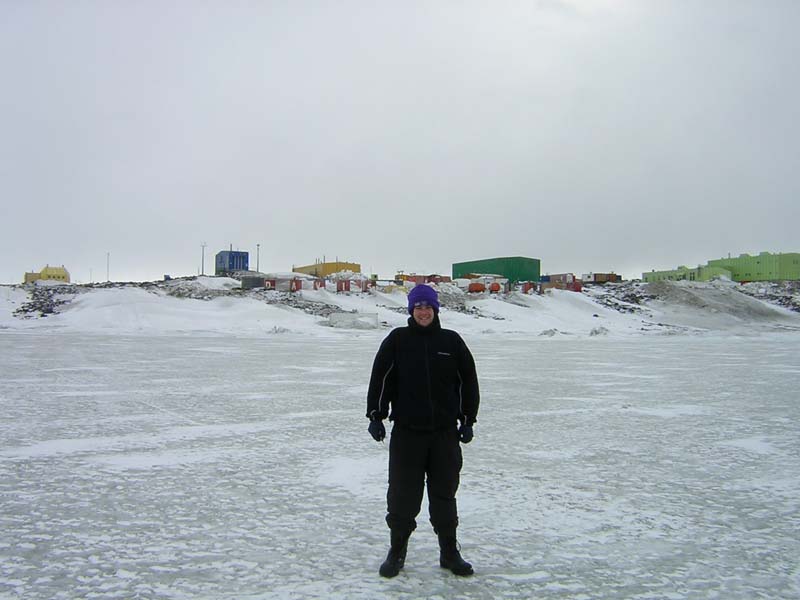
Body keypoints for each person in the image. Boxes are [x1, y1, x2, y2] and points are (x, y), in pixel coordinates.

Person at [366, 284, 480, 578]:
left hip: (444, 435)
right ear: (411, 310)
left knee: (444, 495)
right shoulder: (398, 340)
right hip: (407, 434)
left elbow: (469, 382)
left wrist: (467, 420)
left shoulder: (451, 342)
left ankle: (449, 553)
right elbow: (381, 379)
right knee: (403, 496)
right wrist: (377, 416)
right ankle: (397, 551)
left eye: (428, 307)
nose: (424, 312)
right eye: (418, 307)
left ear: (436, 309)